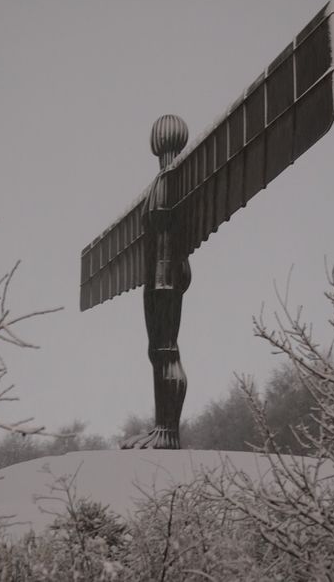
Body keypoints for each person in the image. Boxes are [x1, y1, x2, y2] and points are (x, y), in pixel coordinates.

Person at [121, 115, 191, 449]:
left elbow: (180, 229)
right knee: (156, 351)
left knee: (166, 350)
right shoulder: (161, 183)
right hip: (156, 279)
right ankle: (161, 426)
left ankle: (169, 431)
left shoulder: (176, 179)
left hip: (166, 280)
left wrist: (178, 268)